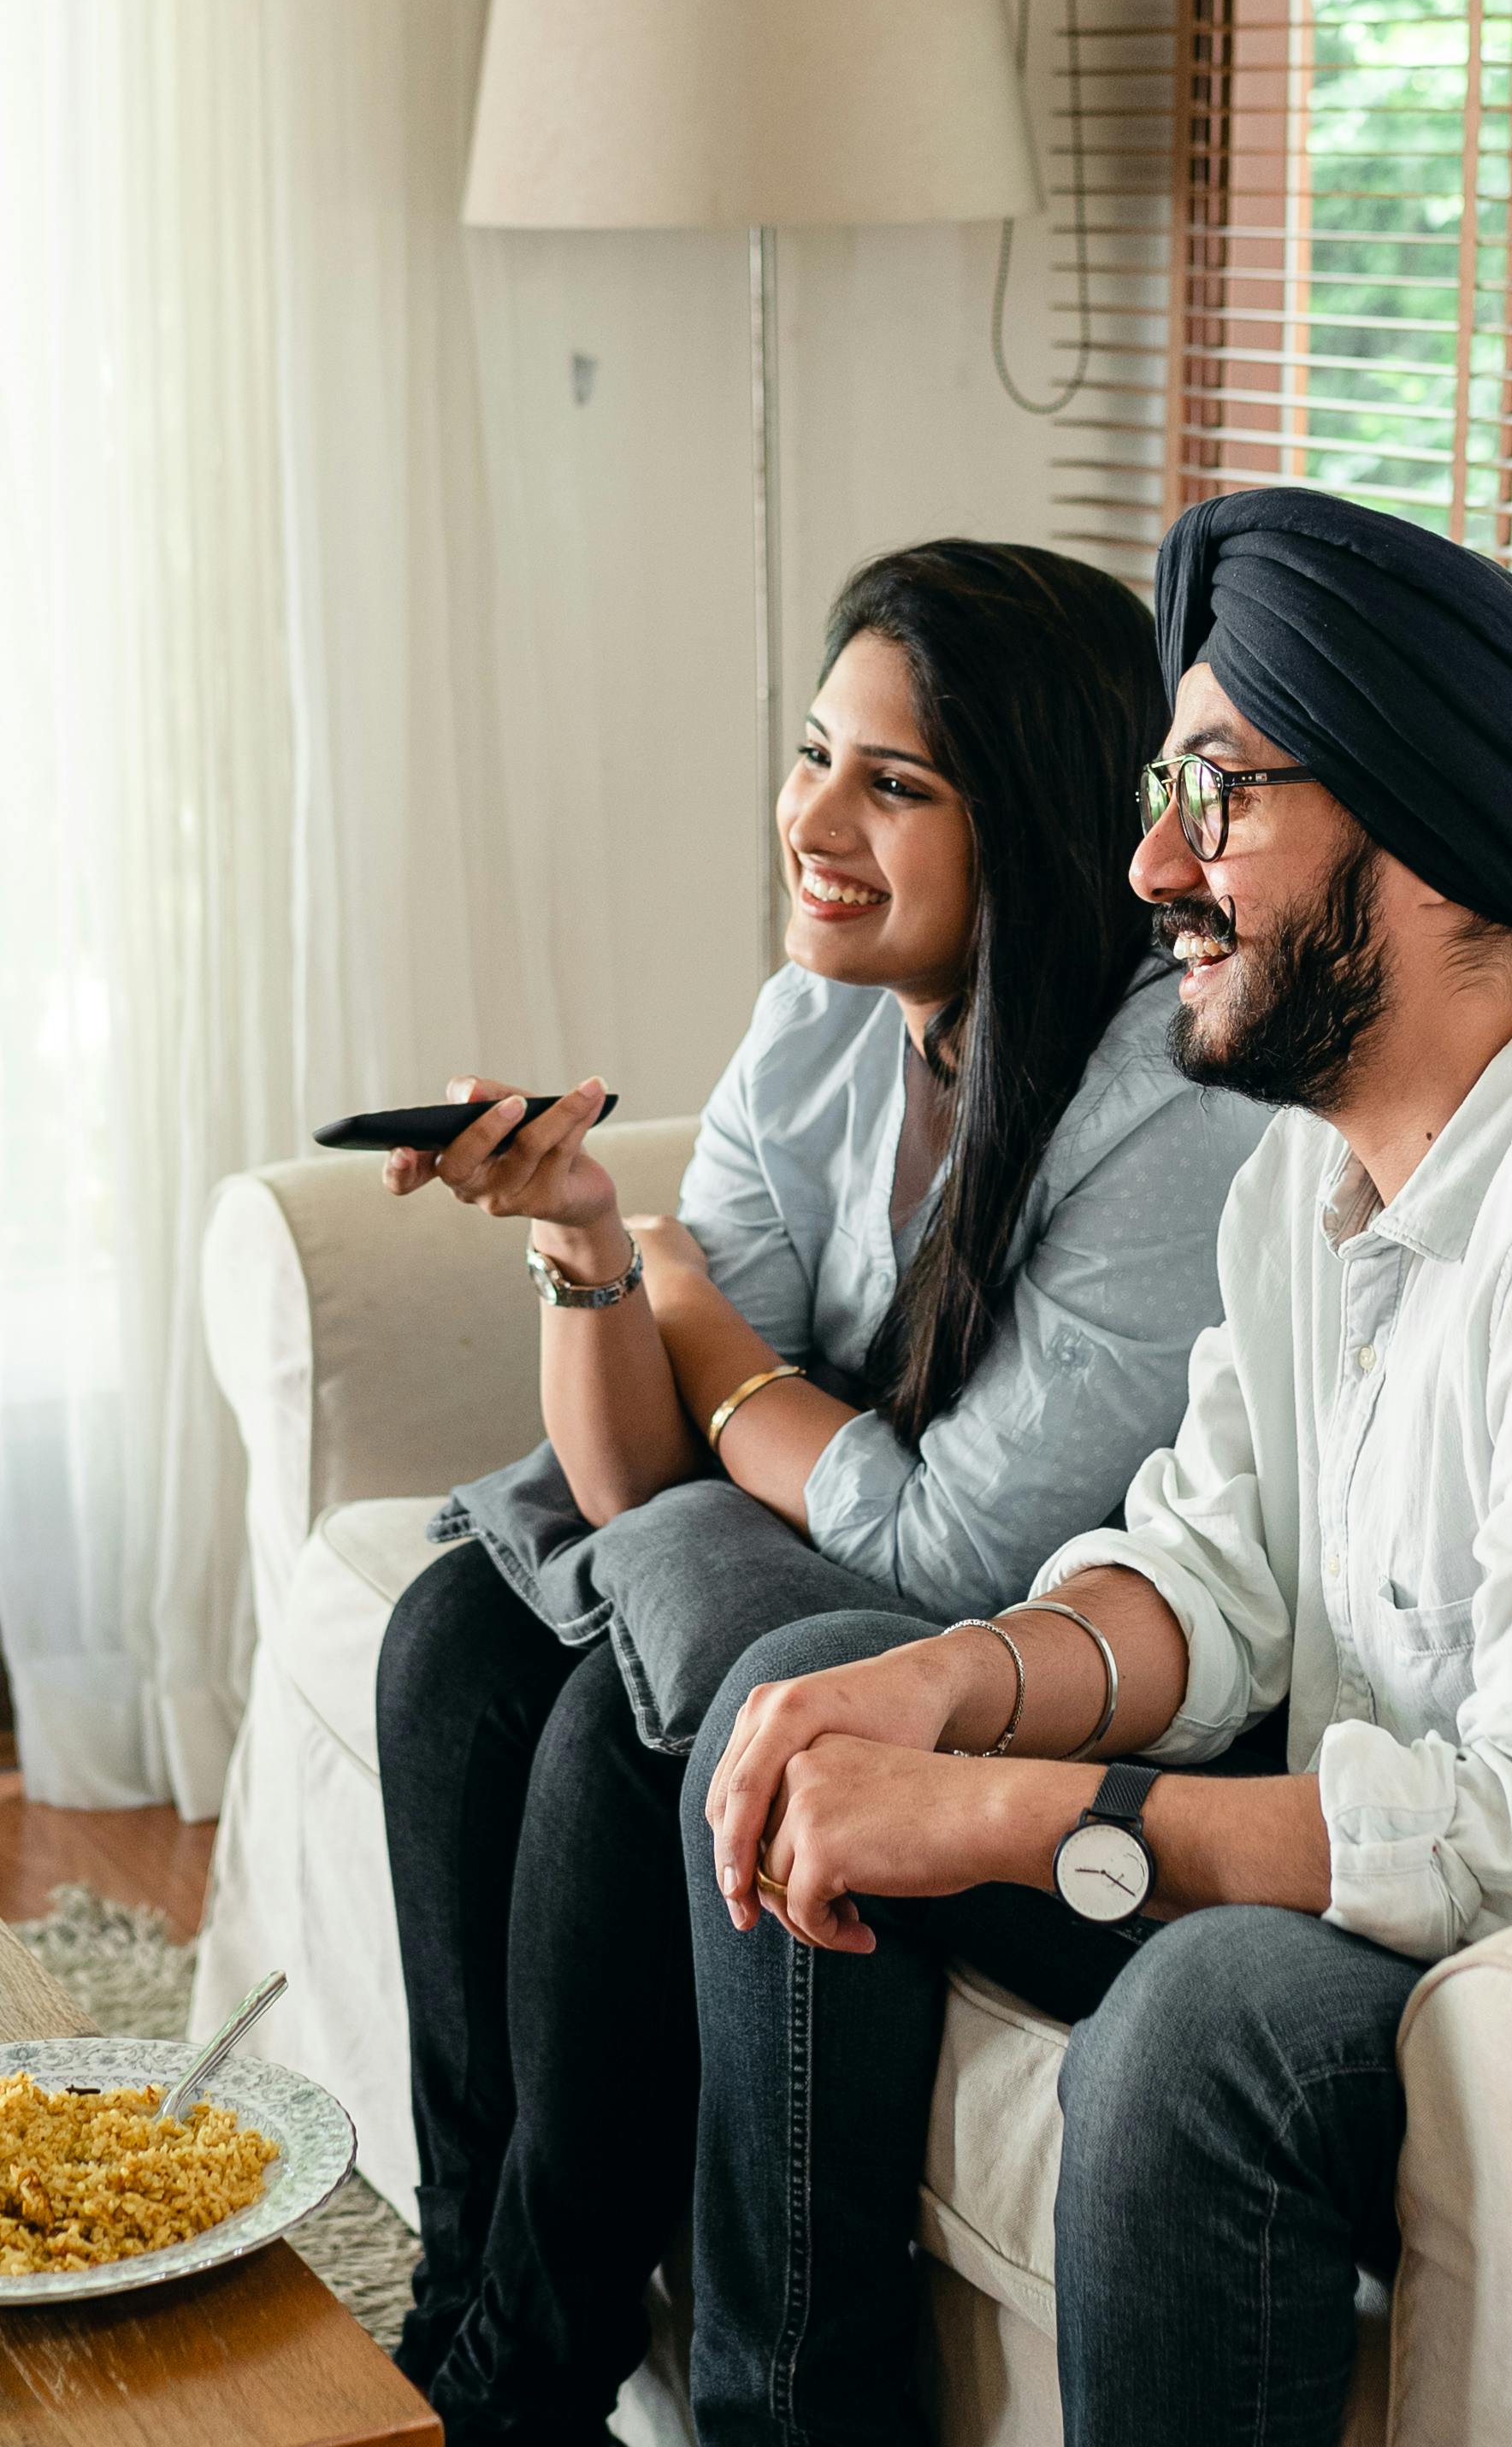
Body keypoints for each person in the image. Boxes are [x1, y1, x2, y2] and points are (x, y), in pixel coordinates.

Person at [683, 485, 1512, 2447]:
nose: (1150, 859)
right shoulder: (1320, 1178)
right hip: (1457, 1867)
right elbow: (1213, 1575)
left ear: (1426, 846)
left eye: (1217, 793)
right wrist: (946, 1684)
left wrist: (1002, 1810)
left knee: (1207, 2024)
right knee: (792, 1718)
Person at [373, 540, 1267, 2446]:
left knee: (655, 1730)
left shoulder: (1169, 1112)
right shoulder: (829, 1011)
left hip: (1057, 1658)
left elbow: (961, 1550)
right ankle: (466, 2306)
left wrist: (731, 1360)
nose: (815, 820)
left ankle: (533, 2371)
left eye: (894, 783)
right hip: (849, 1556)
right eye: (812, 753)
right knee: (457, 1626)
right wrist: (598, 1249)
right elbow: (635, 1483)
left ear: (1023, 820)